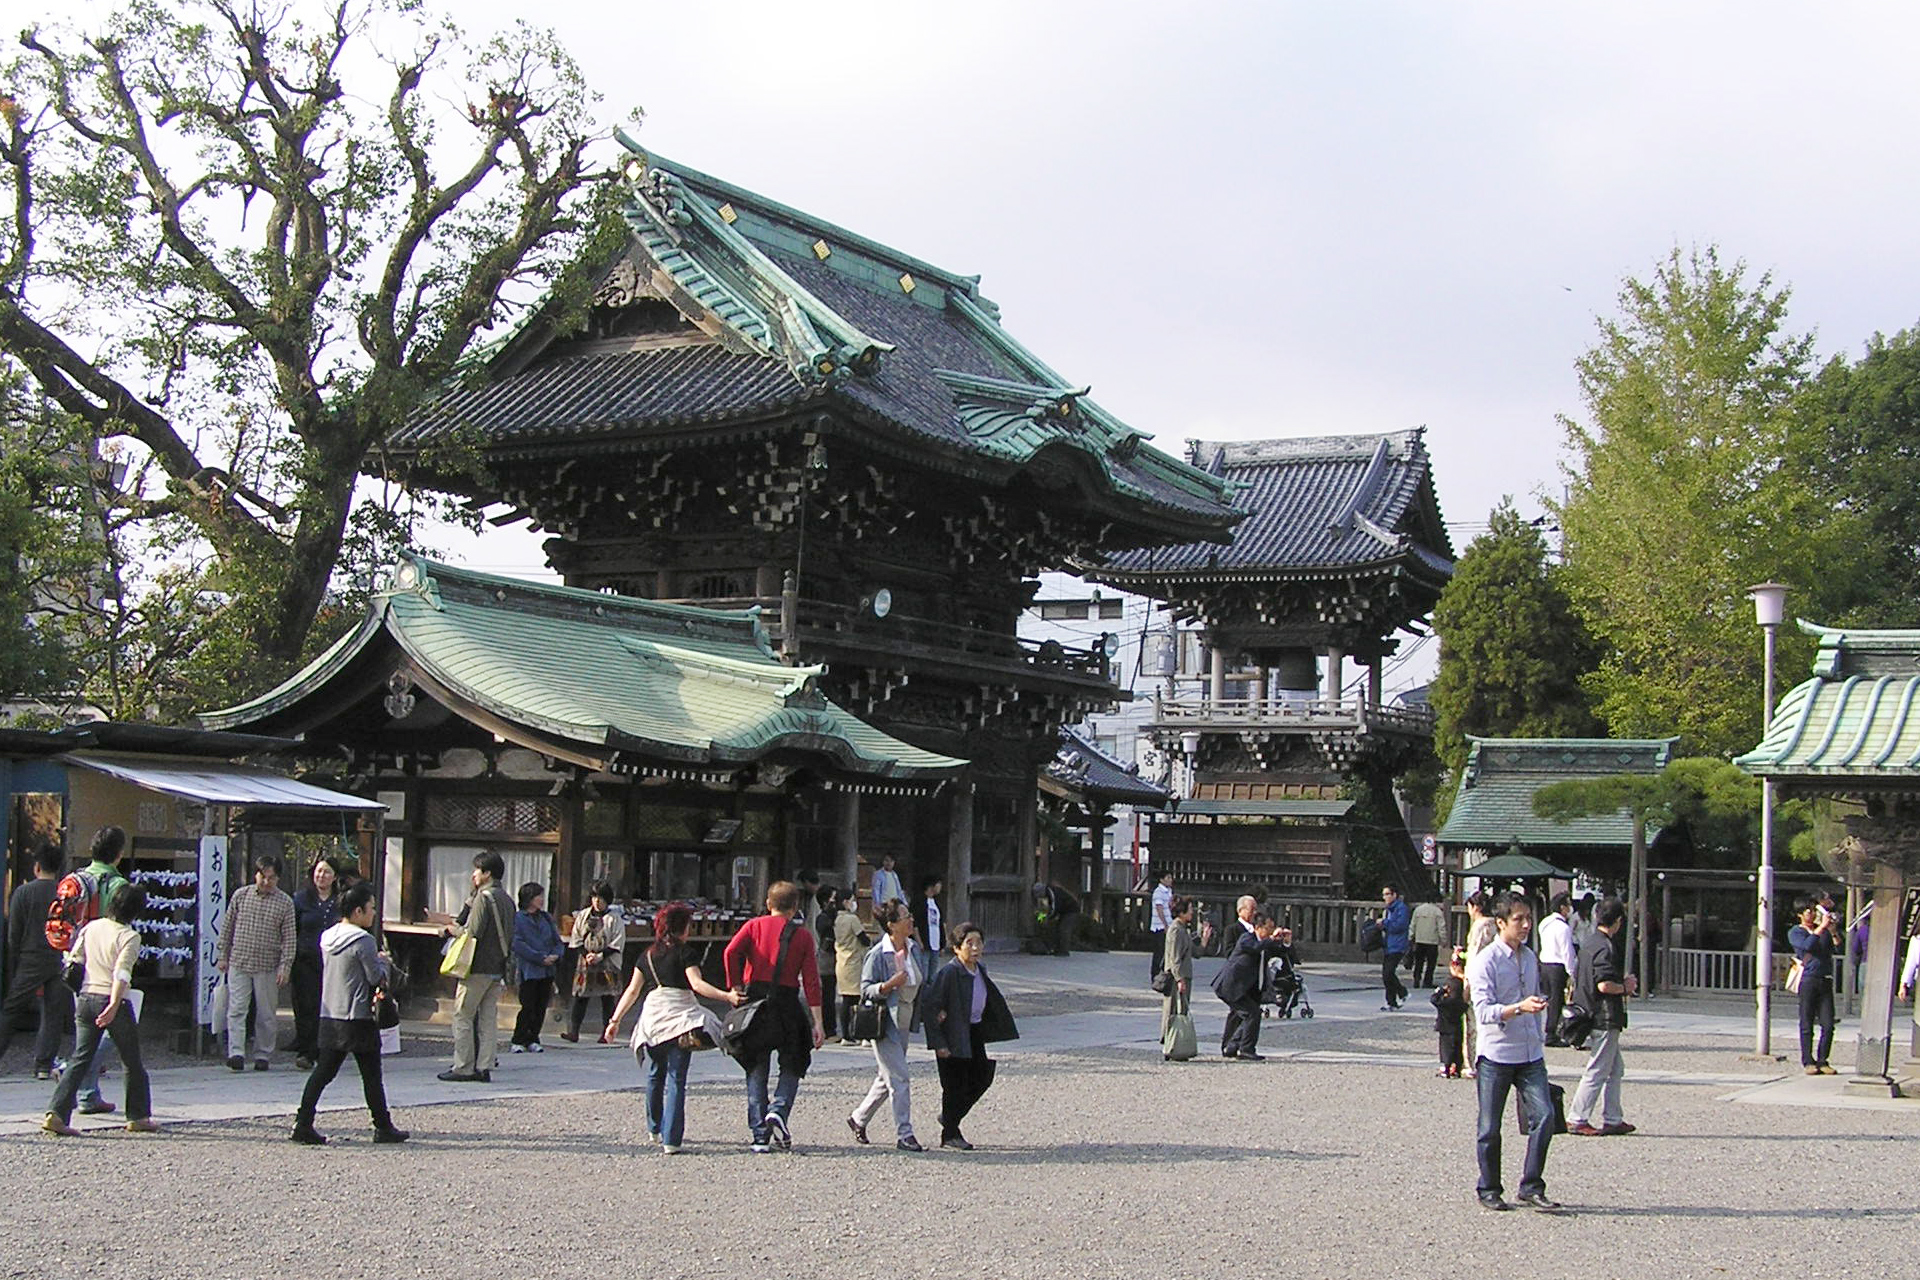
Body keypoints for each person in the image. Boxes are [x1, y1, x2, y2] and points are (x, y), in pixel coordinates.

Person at [604, 902, 743, 1154]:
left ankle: (654, 1128)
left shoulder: (646, 955)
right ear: (682, 928)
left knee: (656, 1072)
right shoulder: (686, 953)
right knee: (677, 1079)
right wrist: (727, 997)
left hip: (654, 1018)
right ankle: (672, 1139)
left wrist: (615, 1020)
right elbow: (698, 985)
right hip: (681, 1018)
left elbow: (633, 990)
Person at [290, 883, 409, 1145]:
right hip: (358, 1015)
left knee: (323, 1071)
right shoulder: (363, 940)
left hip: (331, 1012)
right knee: (371, 1074)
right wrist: (383, 962)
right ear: (358, 911)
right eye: (371, 908)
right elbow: (375, 977)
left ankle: (303, 1121)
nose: (374, 913)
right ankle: (382, 1125)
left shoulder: (328, 936)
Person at [1467, 892, 1558, 1212]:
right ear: (1501, 923)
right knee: (1490, 1126)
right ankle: (1489, 1187)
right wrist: (1518, 1008)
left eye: (1528, 919)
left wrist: (1538, 1023)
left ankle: (1532, 1184)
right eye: (1518, 919)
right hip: (1496, 1053)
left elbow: (1534, 995)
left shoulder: (1531, 957)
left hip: (1530, 1053)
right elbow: (1484, 1012)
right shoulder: (1485, 961)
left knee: (1546, 1116)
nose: (1525, 925)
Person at [44, 881, 156, 1135]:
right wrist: (115, 1004)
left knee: (80, 1058)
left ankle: (56, 1113)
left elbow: (75, 960)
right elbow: (122, 974)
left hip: (85, 997)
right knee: (132, 1061)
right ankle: (138, 1116)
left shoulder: (92, 927)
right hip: (110, 998)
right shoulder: (129, 936)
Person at [723, 881, 825, 1152]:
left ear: (768, 904)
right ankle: (779, 1108)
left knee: (756, 1065)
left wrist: (734, 987)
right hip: (788, 1002)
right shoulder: (802, 936)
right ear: (795, 908)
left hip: (756, 999)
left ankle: (759, 1135)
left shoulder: (754, 926)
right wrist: (818, 1022)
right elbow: (812, 981)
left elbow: (730, 952)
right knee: (794, 1060)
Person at [922, 922, 1017, 1149]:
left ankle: (949, 1117)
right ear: (956, 948)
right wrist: (938, 1043)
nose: (975, 948)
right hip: (952, 1033)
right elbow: (931, 1007)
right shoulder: (949, 972)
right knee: (954, 1084)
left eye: (979, 942)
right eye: (969, 943)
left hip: (973, 1030)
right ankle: (950, 1133)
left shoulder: (979, 969)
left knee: (982, 1076)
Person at [848, 899, 926, 1150]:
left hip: (906, 1018)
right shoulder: (878, 954)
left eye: (909, 915)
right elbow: (865, 989)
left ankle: (858, 1118)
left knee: (888, 1076)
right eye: (905, 916)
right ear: (891, 925)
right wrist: (887, 985)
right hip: (885, 1023)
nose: (910, 920)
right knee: (900, 1077)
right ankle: (905, 1134)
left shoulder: (913, 948)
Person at [440, 851, 515, 1083]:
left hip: (477, 965)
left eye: (477, 870)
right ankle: (485, 1065)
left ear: (487, 873)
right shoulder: (507, 899)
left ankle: (463, 1066)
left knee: (463, 1015)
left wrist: (451, 930)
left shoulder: (484, 898)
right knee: (488, 1018)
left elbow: (472, 933)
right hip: (498, 966)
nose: (473, 874)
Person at [218, 853, 296, 1071]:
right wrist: (222, 954)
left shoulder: (285, 903)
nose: (266, 881)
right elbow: (227, 927)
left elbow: (289, 938)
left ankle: (263, 1053)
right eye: (263, 876)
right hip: (239, 960)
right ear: (256, 875)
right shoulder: (241, 896)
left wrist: (285, 965)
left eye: (271, 877)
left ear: (278, 878)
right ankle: (236, 1052)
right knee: (237, 1008)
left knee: (266, 1012)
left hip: (267, 964)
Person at [1567, 898, 1637, 1136]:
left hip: (1589, 1010)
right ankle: (1578, 1117)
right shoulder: (1605, 946)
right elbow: (1605, 985)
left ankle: (1613, 1117)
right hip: (1604, 1015)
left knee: (1615, 1068)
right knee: (1598, 1068)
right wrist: (1626, 986)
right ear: (1618, 921)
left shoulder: (1590, 942)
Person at [0, 843, 67, 1077]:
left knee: (11, 1009)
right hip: (58, 957)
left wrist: (14, 960)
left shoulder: (23, 893)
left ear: (36, 867)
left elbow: (13, 933)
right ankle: (43, 1064)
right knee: (52, 1013)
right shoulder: (63, 894)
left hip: (30, 957)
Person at [1212, 897, 1287, 1060]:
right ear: (1259, 928)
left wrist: (1284, 941)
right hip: (1230, 986)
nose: (1270, 931)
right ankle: (1246, 1049)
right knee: (1251, 1013)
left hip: (1244, 987)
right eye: (1268, 928)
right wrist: (1270, 940)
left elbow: (1280, 951)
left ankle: (1232, 1046)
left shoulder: (1263, 941)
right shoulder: (1247, 938)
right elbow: (1256, 947)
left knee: (1250, 1014)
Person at [290, 856, 342, 1070]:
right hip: (305, 959)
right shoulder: (301, 899)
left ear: (335, 877)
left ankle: (325, 1050)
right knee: (305, 1006)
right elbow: (292, 929)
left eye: (327, 872)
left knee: (327, 1006)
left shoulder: (341, 900)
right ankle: (306, 1050)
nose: (322, 876)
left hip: (332, 962)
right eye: (319, 871)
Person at [562, 880, 625, 1042]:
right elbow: (576, 938)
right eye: (595, 897)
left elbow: (617, 942)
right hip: (586, 961)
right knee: (580, 995)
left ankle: (606, 1033)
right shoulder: (583, 915)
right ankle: (574, 1031)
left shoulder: (614, 918)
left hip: (608, 961)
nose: (597, 901)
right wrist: (586, 954)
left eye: (601, 898)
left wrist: (600, 955)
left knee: (607, 997)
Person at [509, 882, 562, 1053]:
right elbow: (517, 943)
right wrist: (539, 958)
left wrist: (556, 954)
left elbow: (557, 940)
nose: (541, 899)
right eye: (538, 896)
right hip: (529, 968)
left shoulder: (546, 917)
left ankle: (534, 1037)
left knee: (541, 1005)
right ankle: (519, 1039)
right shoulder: (518, 918)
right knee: (528, 1005)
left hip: (547, 969)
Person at [1788, 896, 1838, 1075]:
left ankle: (1823, 1059)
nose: (1812, 914)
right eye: (1808, 911)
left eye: (1813, 910)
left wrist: (1832, 931)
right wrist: (1821, 928)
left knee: (1828, 1023)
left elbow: (1836, 947)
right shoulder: (1796, 932)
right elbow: (1806, 947)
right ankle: (1808, 1060)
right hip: (1807, 979)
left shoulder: (1822, 931)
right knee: (1806, 1021)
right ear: (1800, 914)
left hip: (1825, 978)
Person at [1460, 890, 1496, 1077]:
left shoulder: (1479, 926)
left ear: (1476, 907)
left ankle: (1473, 1063)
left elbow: (1473, 957)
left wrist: (1466, 982)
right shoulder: (1496, 925)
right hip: (1493, 978)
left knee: (1473, 1022)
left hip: (1477, 979)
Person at [1538, 891, 1576, 1048]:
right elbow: (1567, 951)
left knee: (1549, 999)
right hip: (1557, 965)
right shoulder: (1563, 927)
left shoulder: (1544, 923)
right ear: (1562, 908)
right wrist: (1571, 971)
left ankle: (1551, 1029)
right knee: (1556, 1001)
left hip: (1544, 963)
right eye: (1568, 905)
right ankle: (1552, 1032)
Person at [834, 891, 870, 1042]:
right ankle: (858, 1033)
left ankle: (845, 1035)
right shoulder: (852, 919)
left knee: (846, 999)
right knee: (856, 1000)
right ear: (845, 902)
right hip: (854, 961)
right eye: (852, 900)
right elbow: (863, 939)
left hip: (841, 961)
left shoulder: (836, 918)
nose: (854, 903)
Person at [1161, 896, 1194, 1047]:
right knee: (1173, 1010)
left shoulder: (1183, 929)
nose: (1192, 912)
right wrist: (1179, 979)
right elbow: (1174, 958)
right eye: (1190, 909)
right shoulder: (1175, 929)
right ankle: (1169, 1041)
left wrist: (1205, 940)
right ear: (1181, 912)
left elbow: (1195, 952)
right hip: (1176, 977)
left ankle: (1178, 1042)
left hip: (1184, 975)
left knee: (1182, 1010)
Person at [1432, 947, 1469, 1077]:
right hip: (1457, 1019)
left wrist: (1438, 994)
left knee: (1448, 1047)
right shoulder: (1463, 981)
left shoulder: (1453, 983)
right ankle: (1456, 1067)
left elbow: (1443, 1001)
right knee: (1456, 1045)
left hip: (1447, 1019)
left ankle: (1448, 1067)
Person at [814, 885, 842, 1041]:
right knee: (827, 995)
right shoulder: (823, 918)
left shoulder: (835, 916)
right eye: (833, 899)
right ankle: (829, 1029)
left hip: (836, 959)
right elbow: (827, 939)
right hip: (826, 960)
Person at [1409, 896, 1447, 988]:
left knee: (1419, 962)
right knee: (1431, 963)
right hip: (1432, 941)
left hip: (1420, 939)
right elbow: (1441, 927)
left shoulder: (1418, 910)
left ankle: (1416, 979)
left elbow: (1413, 925)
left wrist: (1410, 937)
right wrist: (1443, 940)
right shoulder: (1437, 911)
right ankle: (1427, 981)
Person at [1034, 881, 1079, 957]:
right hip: (1064, 911)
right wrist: (1040, 919)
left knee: (1064, 929)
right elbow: (1044, 910)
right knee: (1058, 928)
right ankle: (1058, 949)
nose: (1039, 897)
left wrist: (1048, 918)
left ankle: (1064, 951)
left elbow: (1054, 908)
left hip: (1071, 909)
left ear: (1042, 891)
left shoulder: (1052, 893)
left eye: (1039, 895)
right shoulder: (1047, 894)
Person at [912, 876, 945, 978]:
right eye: (939, 884)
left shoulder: (937, 903)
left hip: (935, 943)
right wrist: (919, 941)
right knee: (923, 974)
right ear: (932, 886)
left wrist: (942, 943)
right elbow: (915, 923)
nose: (940, 887)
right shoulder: (918, 902)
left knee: (933, 976)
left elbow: (940, 924)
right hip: (924, 943)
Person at [1149, 870, 1176, 982]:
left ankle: (1165, 974)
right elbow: (1159, 909)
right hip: (1159, 926)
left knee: (1168, 951)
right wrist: (1164, 925)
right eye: (1168, 877)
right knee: (1159, 952)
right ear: (1161, 879)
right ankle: (1155, 975)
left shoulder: (1169, 891)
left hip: (1169, 923)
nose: (1170, 880)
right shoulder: (1158, 892)